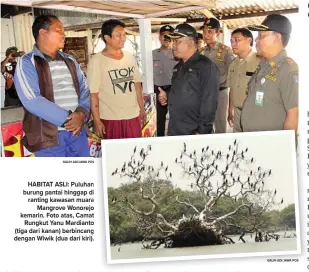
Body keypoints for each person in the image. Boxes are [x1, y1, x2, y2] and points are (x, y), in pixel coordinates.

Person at [14, 15, 90, 157]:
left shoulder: (70, 60)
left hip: (77, 133)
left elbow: (85, 89)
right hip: (48, 137)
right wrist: (69, 119)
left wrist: (81, 114)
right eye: (59, 30)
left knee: (84, 177)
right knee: (56, 179)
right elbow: (32, 100)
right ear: (43, 32)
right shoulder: (27, 62)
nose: (64, 34)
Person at [158, 23, 219, 135]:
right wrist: (167, 95)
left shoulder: (206, 66)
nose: (173, 45)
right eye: (173, 42)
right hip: (176, 128)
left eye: (178, 42)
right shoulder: (178, 66)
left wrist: (201, 132)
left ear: (191, 44)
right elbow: (182, 90)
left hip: (194, 131)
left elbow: (209, 103)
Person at [87, 19, 145, 139]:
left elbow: (137, 86)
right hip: (110, 118)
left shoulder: (130, 57)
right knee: (114, 155)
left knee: (134, 153)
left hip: (132, 115)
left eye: (124, 35)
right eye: (118, 35)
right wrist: (97, 120)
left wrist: (142, 109)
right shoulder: (97, 61)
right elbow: (93, 94)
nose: (123, 38)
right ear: (107, 38)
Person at [241, 14, 298, 133]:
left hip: (272, 146)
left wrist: (287, 148)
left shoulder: (288, 69)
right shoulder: (263, 65)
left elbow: (293, 115)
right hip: (255, 141)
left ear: (277, 38)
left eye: (261, 36)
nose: (256, 40)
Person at [201, 18, 235, 133]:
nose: (206, 35)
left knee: (220, 125)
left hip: (221, 93)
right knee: (205, 123)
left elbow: (233, 76)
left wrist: (231, 108)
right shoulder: (200, 52)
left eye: (210, 32)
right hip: (204, 94)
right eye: (204, 32)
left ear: (218, 33)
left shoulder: (226, 51)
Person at [227, 28, 260, 132]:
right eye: (231, 41)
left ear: (249, 40)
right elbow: (232, 89)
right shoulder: (233, 64)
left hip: (253, 113)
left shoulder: (260, 61)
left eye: (236, 40)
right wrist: (230, 111)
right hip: (237, 114)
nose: (233, 44)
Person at [152, 25, 178, 136]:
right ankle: (160, 141)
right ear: (159, 37)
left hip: (174, 90)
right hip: (158, 89)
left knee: (176, 118)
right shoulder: (152, 54)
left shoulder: (178, 54)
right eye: (163, 35)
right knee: (159, 120)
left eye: (169, 35)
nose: (166, 38)